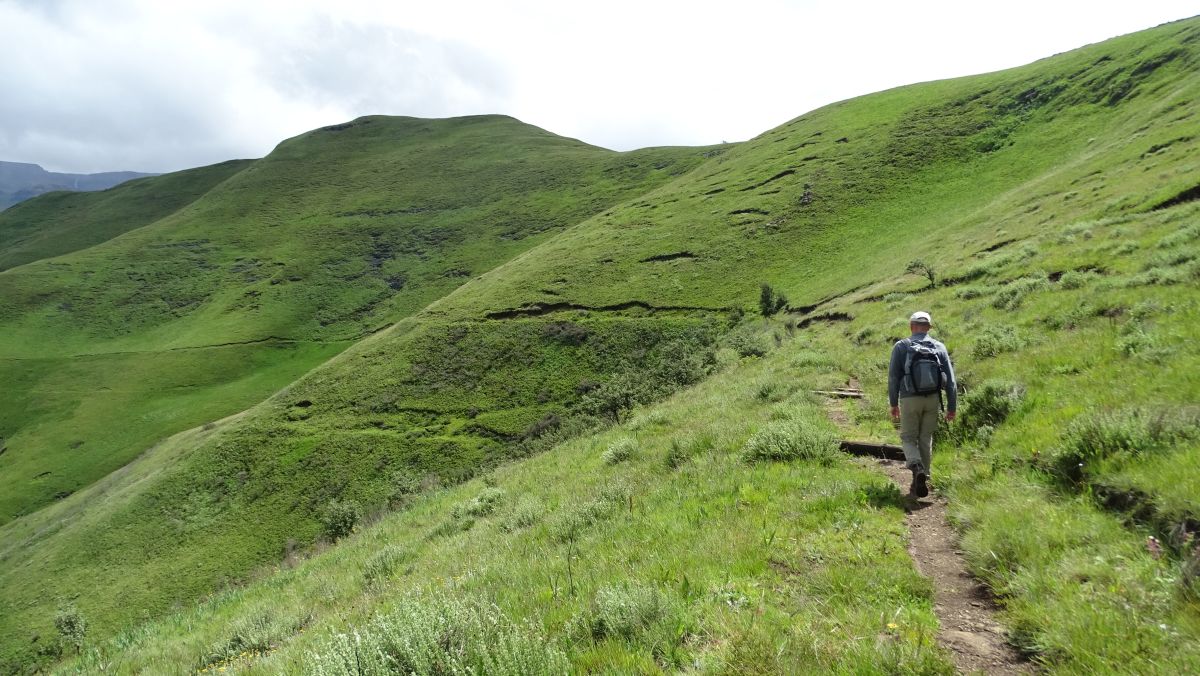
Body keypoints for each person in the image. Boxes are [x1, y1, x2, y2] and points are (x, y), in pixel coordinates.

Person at [888, 311, 956, 498]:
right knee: (926, 439)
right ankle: (923, 476)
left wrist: (893, 403)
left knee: (908, 438)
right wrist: (952, 407)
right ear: (928, 328)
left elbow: (894, 378)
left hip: (909, 399)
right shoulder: (939, 347)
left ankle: (916, 465)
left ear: (911, 326)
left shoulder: (901, 347)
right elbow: (950, 381)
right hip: (933, 399)